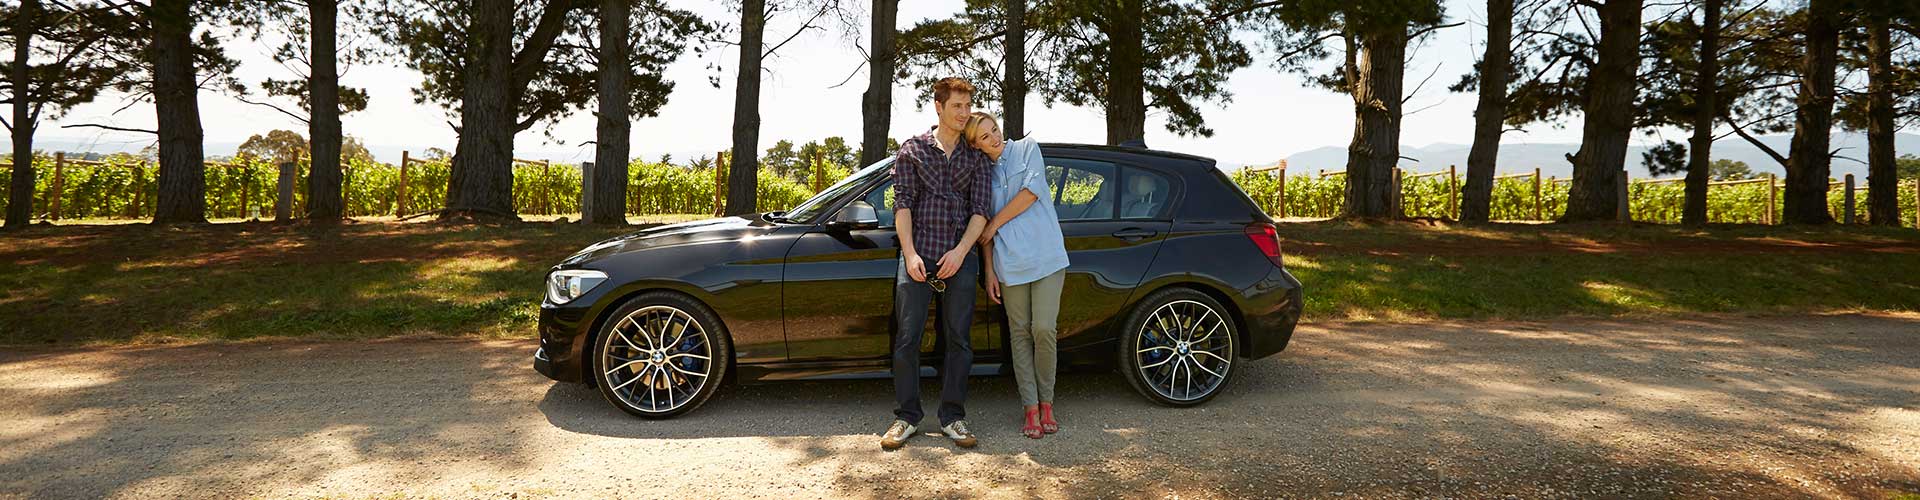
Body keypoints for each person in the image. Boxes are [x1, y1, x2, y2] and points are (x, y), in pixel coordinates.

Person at [879, 77, 993, 451]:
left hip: (960, 257)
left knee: (959, 340)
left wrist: (961, 252)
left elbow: (980, 211)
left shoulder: (975, 157)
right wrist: (910, 254)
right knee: (907, 339)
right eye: (957, 106)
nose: (964, 113)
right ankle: (906, 417)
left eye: (968, 106)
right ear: (939, 107)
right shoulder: (912, 150)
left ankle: (952, 418)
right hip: (918, 254)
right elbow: (903, 205)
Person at [963, 112, 1070, 439]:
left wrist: (995, 223)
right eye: (984, 137)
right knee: (1019, 334)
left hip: (1047, 258)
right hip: (1009, 263)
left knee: (1043, 329)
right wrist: (990, 269)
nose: (994, 138)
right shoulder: (981, 173)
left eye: (994, 129)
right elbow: (982, 224)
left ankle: (1047, 400)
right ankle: (1030, 407)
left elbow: (1031, 193)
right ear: (976, 145)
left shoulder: (1027, 149)